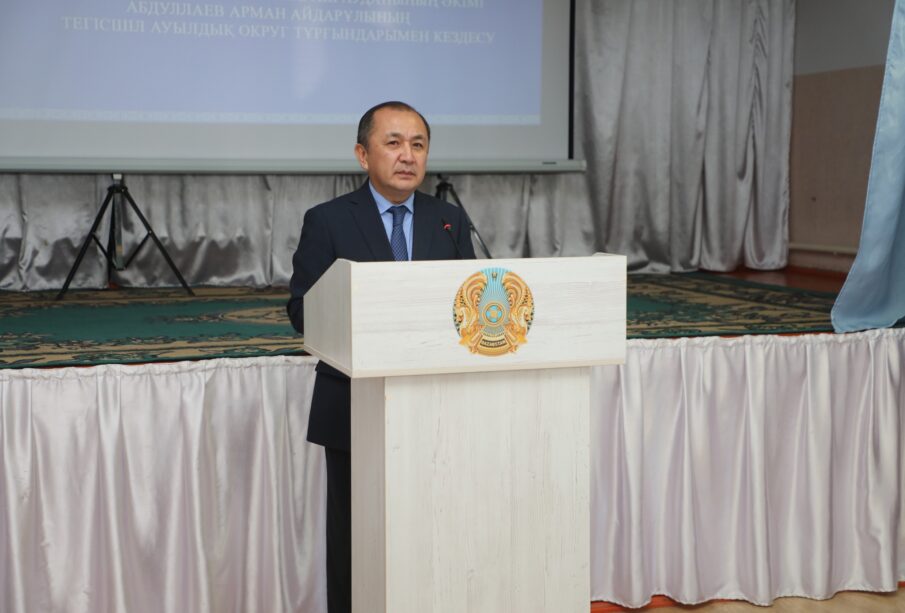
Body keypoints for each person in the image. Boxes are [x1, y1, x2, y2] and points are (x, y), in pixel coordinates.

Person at [286, 101, 476, 613]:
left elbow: (472, 305)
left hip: (435, 405)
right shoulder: (327, 221)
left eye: (418, 144)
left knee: (431, 533)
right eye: (393, 143)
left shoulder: (449, 221)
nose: (407, 155)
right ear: (362, 154)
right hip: (354, 406)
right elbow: (303, 311)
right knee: (356, 540)